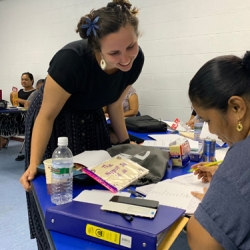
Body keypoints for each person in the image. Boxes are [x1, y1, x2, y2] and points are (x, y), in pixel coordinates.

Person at [19, 1, 144, 248]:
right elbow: (46, 116)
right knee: (56, 188)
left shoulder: (135, 60)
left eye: (131, 46)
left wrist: (125, 143)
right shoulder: (71, 60)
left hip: (92, 115)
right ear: (97, 49)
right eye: (114, 53)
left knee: (99, 181)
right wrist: (33, 164)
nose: (125, 58)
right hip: (56, 120)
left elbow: (116, 103)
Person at [186, 51, 250, 250]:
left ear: (236, 108)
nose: (211, 131)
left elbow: (201, 241)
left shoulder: (243, 156)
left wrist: (220, 201)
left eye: (208, 121)